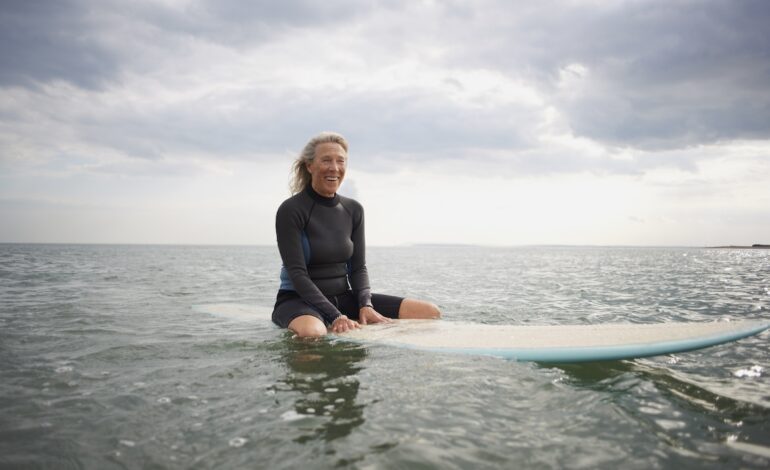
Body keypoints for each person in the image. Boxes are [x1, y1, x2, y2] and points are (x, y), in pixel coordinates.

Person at [272, 131, 440, 337]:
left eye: (340, 161)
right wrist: (335, 316)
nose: (334, 168)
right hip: (298, 300)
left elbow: (358, 268)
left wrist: (365, 305)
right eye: (326, 160)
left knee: (429, 312)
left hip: (343, 297)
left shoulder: (353, 210)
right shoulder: (291, 210)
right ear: (310, 166)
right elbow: (297, 274)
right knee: (312, 333)